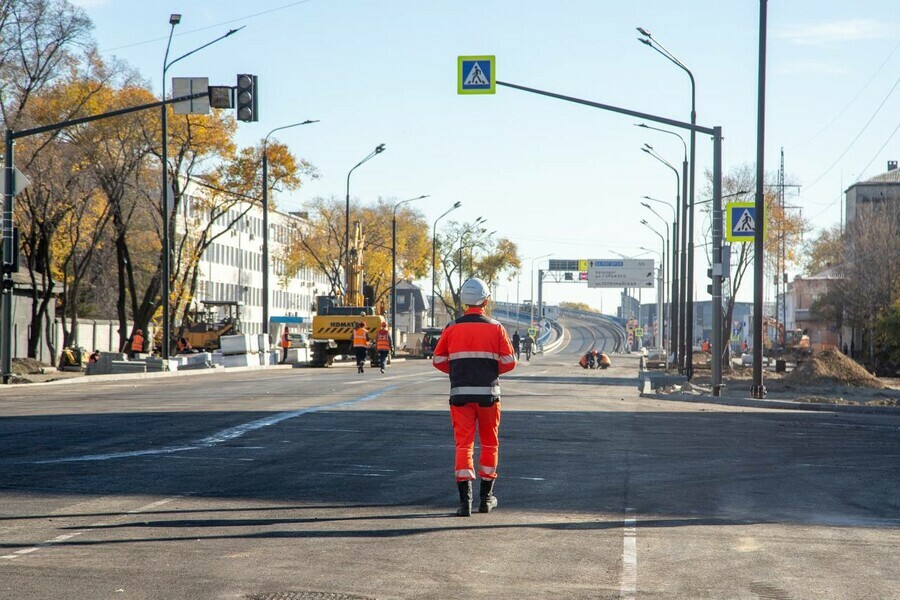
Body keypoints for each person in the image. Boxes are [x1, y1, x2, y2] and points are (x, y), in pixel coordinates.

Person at [433, 277, 516, 517]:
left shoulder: (451, 328)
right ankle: (486, 499)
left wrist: (460, 371)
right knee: (489, 444)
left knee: (464, 445)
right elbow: (510, 362)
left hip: (460, 394)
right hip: (489, 396)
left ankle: (464, 503)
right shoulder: (496, 328)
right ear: (486, 300)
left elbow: (438, 360)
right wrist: (489, 371)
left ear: (463, 302)